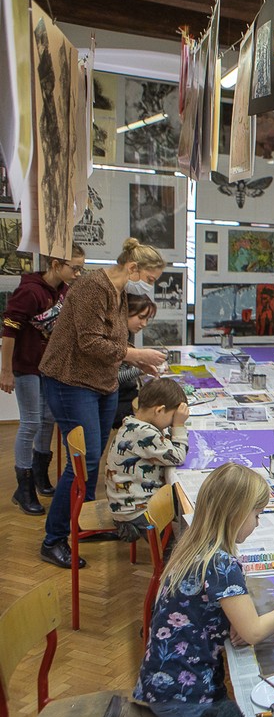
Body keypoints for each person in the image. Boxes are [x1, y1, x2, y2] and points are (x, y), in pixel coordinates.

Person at [101, 463, 274, 717]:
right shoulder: (221, 564)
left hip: (165, 682)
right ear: (236, 514)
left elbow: (218, 611)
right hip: (182, 695)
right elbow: (253, 633)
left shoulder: (194, 543)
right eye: (257, 514)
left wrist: (235, 622)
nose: (258, 523)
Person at [38, 238, 167, 569]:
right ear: (133, 267)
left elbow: (114, 339)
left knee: (95, 460)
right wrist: (136, 354)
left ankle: (82, 523)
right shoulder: (93, 286)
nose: (149, 285)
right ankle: (53, 539)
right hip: (71, 381)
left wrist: (136, 362)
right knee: (83, 463)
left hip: (100, 382)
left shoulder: (118, 289)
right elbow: (89, 341)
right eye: (149, 278)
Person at [1, 244, 86, 514]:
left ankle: (39, 475)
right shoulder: (29, 291)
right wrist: (5, 371)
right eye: (74, 268)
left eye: (81, 268)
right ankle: (23, 487)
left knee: (49, 418)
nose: (78, 273)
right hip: (26, 367)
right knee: (30, 423)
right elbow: (9, 332)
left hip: (47, 368)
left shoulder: (63, 291)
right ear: (55, 265)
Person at [104, 378, 189, 542]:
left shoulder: (133, 423)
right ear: (159, 411)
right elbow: (178, 456)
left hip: (125, 507)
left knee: (180, 504)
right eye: (171, 419)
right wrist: (179, 425)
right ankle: (168, 565)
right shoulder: (144, 432)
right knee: (174, 550)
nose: (170, 425)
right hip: (136, 513)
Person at [112, 294, 158, 429]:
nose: (144, 324)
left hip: (125, 394)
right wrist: (140, 370)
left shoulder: (127, 333)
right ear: (125, 312)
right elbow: (113, 378)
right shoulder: (114, 336)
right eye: (141, 318)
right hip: (115, 401)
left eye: (147, 319)